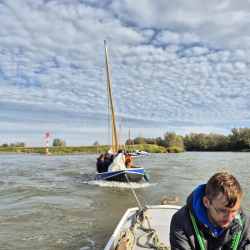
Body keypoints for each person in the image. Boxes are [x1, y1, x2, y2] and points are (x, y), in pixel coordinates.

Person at [170, 171, 250, 249]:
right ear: (206, 202)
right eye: (222, 211)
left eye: (234, 211)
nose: (229, 219)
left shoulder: (244, 222)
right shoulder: (181, 221)